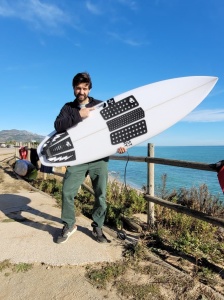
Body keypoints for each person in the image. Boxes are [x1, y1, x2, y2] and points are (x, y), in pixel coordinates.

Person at [54, 72, 126, 244]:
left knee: (100, 195)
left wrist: (120, 143)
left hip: (99, 158)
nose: (81, 91)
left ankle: (97, 227)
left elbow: (114, 125)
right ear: (73, 89)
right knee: (67, 192)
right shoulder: (68, 108)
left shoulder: (100, 105)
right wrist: (80, 115)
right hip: (78, 158)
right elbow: (58, 126)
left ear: (89, 89)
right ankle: (69, 225)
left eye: (84, 88)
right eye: (78, 88)